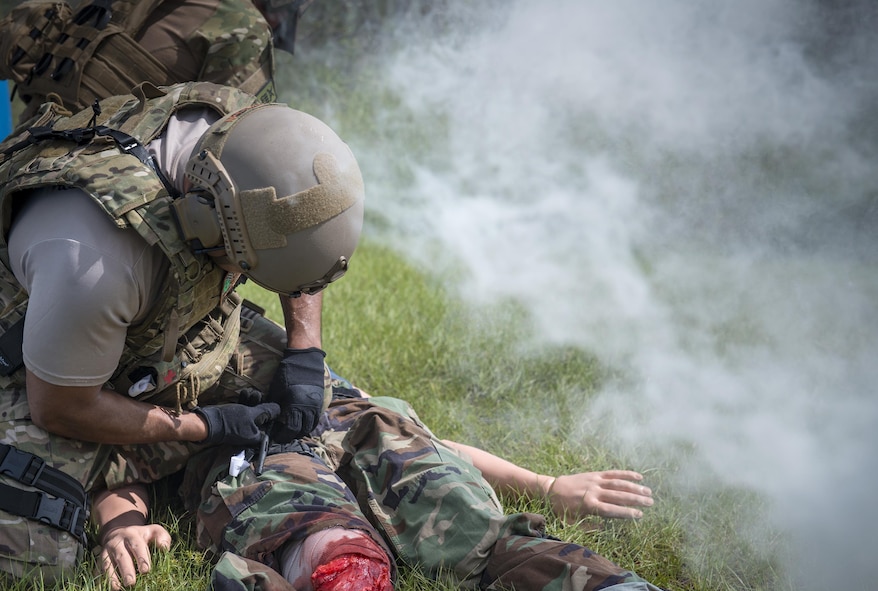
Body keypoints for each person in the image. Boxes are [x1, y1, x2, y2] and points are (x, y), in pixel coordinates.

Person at [0, 79, 364, 584]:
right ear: (210, 226)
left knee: (314, 397)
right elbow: (59, 405)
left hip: (143, 316)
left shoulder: (248, 135)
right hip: (37, 350)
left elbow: (293, 218)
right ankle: (139, 486)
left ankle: (150, 474)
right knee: (33, 552)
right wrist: (204, 426)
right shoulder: (95, 261)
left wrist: (306, 349)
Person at [94, 383, 660, 591]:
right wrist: (122, 525)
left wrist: (547, 485)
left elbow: (438, 454)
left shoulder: (347, 395)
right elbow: (125, 467)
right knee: (335, 550)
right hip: (241, 450)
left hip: (351, 420)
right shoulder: (171, 378)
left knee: (475, 530)